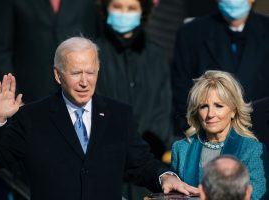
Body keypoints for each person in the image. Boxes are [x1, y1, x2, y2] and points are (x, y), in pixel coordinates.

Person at [0, 37, 198, 200]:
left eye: (90, 72)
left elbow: (140, 163)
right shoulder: (32, 117)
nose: (84, 81)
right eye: (76, 73)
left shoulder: (118, 115)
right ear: (57, 75)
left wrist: (165, 176)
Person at [171, 0, 269, 135]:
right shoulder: (191, 33)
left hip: (262, 134)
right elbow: (181, 91)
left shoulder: (265, 29)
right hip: (209, 136)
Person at [171, 70, 268, 200]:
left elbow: (256, 197)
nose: (210, 114)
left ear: (234, 110)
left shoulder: (253, 150)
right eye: (204, 106)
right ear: (196, 111)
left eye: (219, 106)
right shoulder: (181, 149)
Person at [0, 0, 100, 103]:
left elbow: (94, 42)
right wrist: (13, 97)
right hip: (30, 96)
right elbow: (1, 51)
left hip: (77, 95)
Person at [96, 0, 172, 144]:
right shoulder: (94, 53)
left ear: (142, 11)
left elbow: (163, 107)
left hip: (149, 152)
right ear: (106, 8)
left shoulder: (156, 55)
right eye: (117, 7)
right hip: (104, 148)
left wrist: (150, 146)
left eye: (131, 8)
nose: (124, 13)